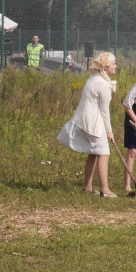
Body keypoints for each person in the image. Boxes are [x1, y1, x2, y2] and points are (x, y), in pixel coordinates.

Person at [56, 52, 118, 197]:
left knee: (93, 153)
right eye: (114, 64)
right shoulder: (103, 84)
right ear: (106, 66)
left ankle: (88, 187)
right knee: (104, 153)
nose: (116, 66)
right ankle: (105, 189)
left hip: (86, 119)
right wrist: (109, 131)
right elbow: (104, 111)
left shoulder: (94, 78)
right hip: (93, 122)